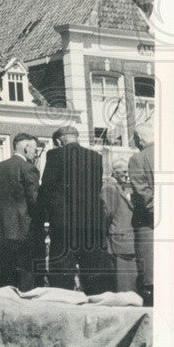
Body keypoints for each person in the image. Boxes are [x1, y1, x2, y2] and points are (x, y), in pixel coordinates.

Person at [37, 125, 106, 293]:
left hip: (64, 225)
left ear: (59, 141)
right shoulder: (95, 157)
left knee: (62, 273)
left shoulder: (55, 155)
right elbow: (97, 188)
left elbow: (47, 189)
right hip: (91, 223)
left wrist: (43, 216)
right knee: (92, 272)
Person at [0, 133, 40, 290]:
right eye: (35, 149)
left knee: (6, 275)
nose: (36, 153)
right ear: (25, 148)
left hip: (1, 231)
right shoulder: (28, 168)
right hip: (24, 231)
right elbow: (34, 200)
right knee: (26, 275)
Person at [101, 159, 138, 295]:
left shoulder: (117, 187)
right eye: (123, 172)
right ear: (114, 172)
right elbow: (106, 214)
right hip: (119, 242)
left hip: (123, 242)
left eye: (127, 172)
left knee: (127, 285)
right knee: (124, 287)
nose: (126, 175)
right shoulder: (110, 187)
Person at [128, 123, 154, 306]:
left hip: (149, 226)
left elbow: (143, 194)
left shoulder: (138, 159)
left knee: (151, 281)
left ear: (139, 139)